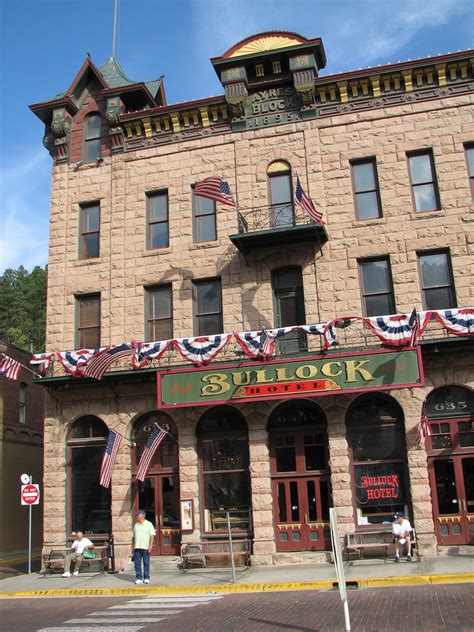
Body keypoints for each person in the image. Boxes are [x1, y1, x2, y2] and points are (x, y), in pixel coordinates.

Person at [132, 509, 156, 584]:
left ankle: (146, 577)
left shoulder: (149, 524)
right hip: (137, 547)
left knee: (146, 563)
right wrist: (132, 546)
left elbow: (152, 536)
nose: (137, 517)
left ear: (142, 516)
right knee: (137, 564)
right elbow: (133, 537)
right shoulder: (136, 525)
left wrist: (150, 546)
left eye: (138, 515)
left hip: (145, 547)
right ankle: (139, 578)